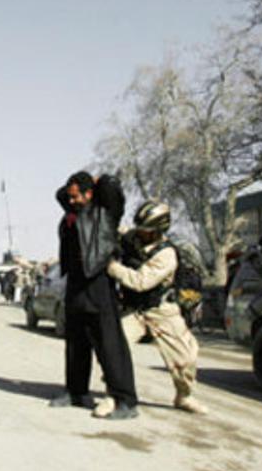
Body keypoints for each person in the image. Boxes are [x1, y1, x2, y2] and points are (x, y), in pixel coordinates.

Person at [49, 170, 138, 420]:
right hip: (76, 281)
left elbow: (111, 189)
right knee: (76, 340)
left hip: (98, 281)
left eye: (77, 196)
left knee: (109, 342)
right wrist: (75, 187)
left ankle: (125, 400)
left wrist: (102, 180)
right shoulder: (72, 210)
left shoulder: (106, 212)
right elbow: (60, 194)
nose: (72, 200)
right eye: (72, 196)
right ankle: (76, 391)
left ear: (90, 193)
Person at [108, 201, 208, 414]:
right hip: (134, 310)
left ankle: (184, 396)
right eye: (140, 229)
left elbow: (140, 282)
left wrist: (112, 268)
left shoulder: (166, 254)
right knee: (114, 349)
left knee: (185, 359)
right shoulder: (131, 238)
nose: (141, 234)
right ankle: (113, 393)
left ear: (158, 231)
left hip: (162, 310)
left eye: (146, 231)